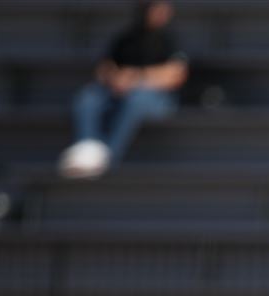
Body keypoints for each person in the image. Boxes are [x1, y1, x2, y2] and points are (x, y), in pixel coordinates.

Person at [57, 0, 188, 179]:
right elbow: (104, 68)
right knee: (89, 97)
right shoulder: (126, 38)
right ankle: (87, 148)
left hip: (157, 99)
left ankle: (107, 158)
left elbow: (175, 76)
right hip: (119, 92)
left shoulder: (169, 39)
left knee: (137, 99)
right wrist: (116, 79)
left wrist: (137, 77)